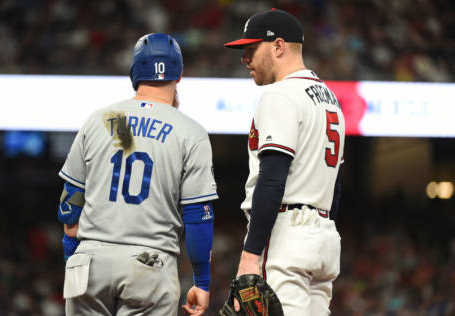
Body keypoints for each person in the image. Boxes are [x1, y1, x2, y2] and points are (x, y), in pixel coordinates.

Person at [57, 33, 218, 316]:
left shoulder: (100, 120)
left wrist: (73, 259)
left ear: (134, 73)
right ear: (179, 76)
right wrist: (201, 281)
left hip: (91, 259)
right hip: (149, 264)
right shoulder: (191, 132)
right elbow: (197, 217)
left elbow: (70, 208)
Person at [223, 8, 345, 315]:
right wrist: (321, 228)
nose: (245, 58)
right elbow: (337, 185)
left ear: (278, 46)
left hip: (286, 236)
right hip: (324, 237)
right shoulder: (330, 98)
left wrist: (250, 256)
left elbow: (273, 178)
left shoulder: (281, 95)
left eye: (251, 49)